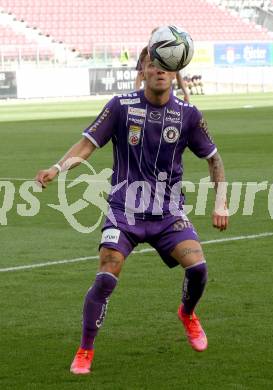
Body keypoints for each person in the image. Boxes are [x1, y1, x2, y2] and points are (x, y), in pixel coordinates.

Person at [35, 52, 229, 375]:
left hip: (168, 213)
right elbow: (87, 144)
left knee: (198, 268)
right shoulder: (121, 106)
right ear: (143, 70)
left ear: (174, 72)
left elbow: (214, 159)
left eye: (166, 67)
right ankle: (85, 349)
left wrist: (220, 202)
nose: (159, 72)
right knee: (107, 274)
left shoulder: (188, 115)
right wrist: (58, 167)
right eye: (153, 65)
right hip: (124, 211)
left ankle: (187, 313)